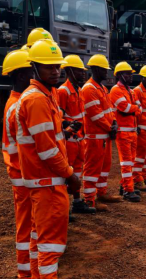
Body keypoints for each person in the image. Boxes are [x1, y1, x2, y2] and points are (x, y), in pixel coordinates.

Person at [15, 39, 81, 278]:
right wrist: (70, 174)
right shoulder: (36, 99)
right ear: (34, 68)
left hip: (46, 182)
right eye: (48, 67)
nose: (55, 71)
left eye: (57, 66)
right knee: (50, 248)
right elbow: (47, 151)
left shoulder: (47, 94)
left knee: (39, 242)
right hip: (47, 184)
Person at [1, 50, 35, 278]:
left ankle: (30, 269)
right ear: (21, 76)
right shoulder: (17, 106)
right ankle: (25, 273)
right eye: (30, 72)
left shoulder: (14, 102)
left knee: (29, 224)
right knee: (26, 226)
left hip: (19, 173)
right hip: (22, 175)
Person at [81, 54, 122, 212]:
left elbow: (109, 111)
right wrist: (109, 127)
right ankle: (89, 200)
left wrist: (114, 124)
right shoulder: (89, 89)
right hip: (95, 138)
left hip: (104, 136)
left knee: (105, 167)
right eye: (104, 70)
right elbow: (95, 115)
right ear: (96, 69)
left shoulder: (102, 89)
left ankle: (101, 193)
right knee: (92, 169)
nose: (107, 72)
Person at [58, 55, 96, 214]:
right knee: (68, 172)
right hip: (70, 140)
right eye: (79, 71)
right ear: (69, 71)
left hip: (80, 139)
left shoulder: (79, 90)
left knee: (78, 171)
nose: (82, 74)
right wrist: (68, 127)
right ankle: (64, 207)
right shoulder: (63, 91)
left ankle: (77, 201)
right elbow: (57, 117)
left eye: (82, 71)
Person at [109, 62, 142, 202]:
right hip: (123, 133)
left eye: (131, 73)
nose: (130, 76)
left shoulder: (131, 91)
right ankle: (129, 190)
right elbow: (125, 108)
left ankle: (125, 186)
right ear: (120, 75)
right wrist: (134, 108)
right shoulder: (116, 90)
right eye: (128, 74)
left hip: (132, 132)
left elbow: (138, 108)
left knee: (131, 161)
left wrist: (133, 108)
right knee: (126, 162)